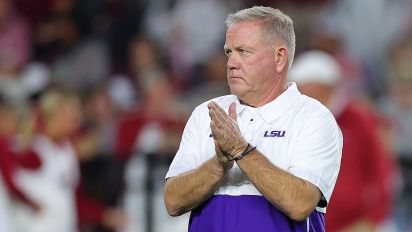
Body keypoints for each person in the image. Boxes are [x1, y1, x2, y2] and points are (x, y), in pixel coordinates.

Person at [164, 6, 343, 231]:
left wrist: (241, 151)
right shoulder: (206, 113)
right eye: (229, 52)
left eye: (243, 51)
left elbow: (300, 203)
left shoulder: (313, 118)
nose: (231, 63)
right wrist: (218, 165)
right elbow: (172, 201)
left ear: (279, 58)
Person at [289, 50, 398, 231]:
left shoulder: (360, 120)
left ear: (326, 87)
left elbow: (382, 172)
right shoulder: (294, 120)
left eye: (307, 88)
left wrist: (372, 220)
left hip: (355, 225)